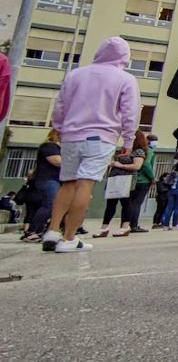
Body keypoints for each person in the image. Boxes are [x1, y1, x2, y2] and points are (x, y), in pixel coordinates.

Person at [42, 36, 139, 254]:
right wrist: (129, 140)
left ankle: (52, 230)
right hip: (101, 137)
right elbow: (130, 113)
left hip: (71, 136)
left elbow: (60, 105)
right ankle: (69, 237)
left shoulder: (75, 75)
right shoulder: (125, 79)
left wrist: (59, 128)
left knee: (67, 183)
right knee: (85, 184)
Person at [95, 131, 149, 238]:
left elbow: (137, 166)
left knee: (126, 203)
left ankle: (125, 227)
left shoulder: (138, 151)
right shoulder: (124, 150)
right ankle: (104, 228)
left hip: (126, 180)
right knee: (111, 204)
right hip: (114, 178)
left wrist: (120, 165)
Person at [25, 129, 62, 241]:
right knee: (49, 205)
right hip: (48, 180)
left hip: (51, 180)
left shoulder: (56, 148)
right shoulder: (49, 146)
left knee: (50, 205)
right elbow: (57, 161)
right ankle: (34, 231)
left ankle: (36, 231)